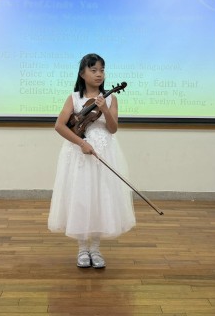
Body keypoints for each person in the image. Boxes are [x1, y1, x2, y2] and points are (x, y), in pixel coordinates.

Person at [48, 53, 136, 269]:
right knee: (80, 197)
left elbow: (112, 129)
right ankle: (82, 249)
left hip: (104, 151)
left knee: (101, 197)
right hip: (79, 153)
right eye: (94, 70)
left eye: (102, 70)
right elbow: (60, 126)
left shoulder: (111, 98)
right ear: (82, 73)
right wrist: (81, 143)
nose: (99, 74)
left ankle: (95, 249)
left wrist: (104, 108)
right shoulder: (74, 98)